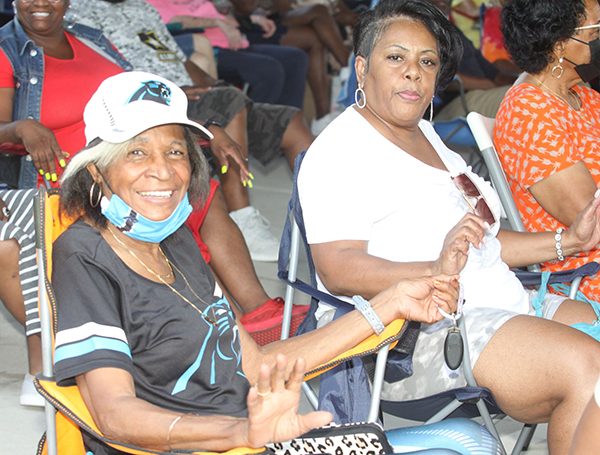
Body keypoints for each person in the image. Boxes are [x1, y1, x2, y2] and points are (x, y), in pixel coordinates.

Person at [53, 70, 497, 455]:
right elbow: (113, 415)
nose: (164, 171)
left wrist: (390, 303)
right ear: (96, 170)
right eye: (136, 152)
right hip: (205, 446)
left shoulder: (174, 241)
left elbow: (258, 365)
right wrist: (241, 430)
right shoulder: (85, 256)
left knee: (471, 440)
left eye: (175, 151)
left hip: (255, 439)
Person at [297, 1, 600, 453]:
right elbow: (337, 267)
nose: (414, 73)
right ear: (362, 68)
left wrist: (567, 241)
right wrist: (434, 267)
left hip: (504, 300)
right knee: (589, 369)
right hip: (413, 335)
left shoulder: (430, 138)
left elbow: (487, 243)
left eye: (428, 61)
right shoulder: (339, 151)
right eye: (396, 57)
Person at [69, 0, 315, 262]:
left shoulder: (142, 8)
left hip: (188, 96)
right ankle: (242, 215)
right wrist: (166, 96)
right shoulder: (81, 10)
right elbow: (108, 78)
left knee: (291, 120)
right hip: (152, 107)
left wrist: (212, 85)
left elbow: (180, 59)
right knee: (231, 102)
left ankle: (325, 224)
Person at [0, 0, 131, 406]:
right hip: (40, 186)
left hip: (116, 175)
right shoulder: (7, 50)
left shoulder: (92, 38)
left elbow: (138, 95)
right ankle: (47, 365)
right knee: (26, 232)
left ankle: (56, 363)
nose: (40, 2)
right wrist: (21, 127)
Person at [494, 0, 600, 303]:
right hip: (585, 276)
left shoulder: (583, 97)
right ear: (557, 45)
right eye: (596, 30)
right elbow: (591, 221)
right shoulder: (528, 111)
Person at [147, 0, 309, 110]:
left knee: (295, 58)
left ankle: (286, 127)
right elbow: (172, 22)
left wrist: (253, 19)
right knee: (269, 69)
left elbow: (222, 18)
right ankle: (258, 133)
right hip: (209, 50)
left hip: (237, 43)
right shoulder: (151, 3)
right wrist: (217, 23)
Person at [421, 0, 518, 121]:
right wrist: (485, 84)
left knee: (528, 91)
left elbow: (494, 73)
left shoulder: (452, 30)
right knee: (522, 99)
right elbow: (435, 74)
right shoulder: (420, 30)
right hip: (453, 104)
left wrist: (527, 81)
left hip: (479, 96)